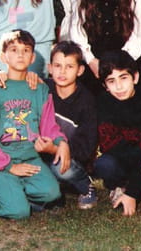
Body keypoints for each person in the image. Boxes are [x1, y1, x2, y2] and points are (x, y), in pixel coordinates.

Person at [0, 30, 68, 220]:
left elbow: (49, 126)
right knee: (19, 212)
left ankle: (13, 190)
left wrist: (61, 142)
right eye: (14, 50)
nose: (20, 54)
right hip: (1, 161)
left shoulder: (40, 89)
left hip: (30, 158)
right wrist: (8, 166)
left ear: (32, 57)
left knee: (52, 193)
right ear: (3, 57)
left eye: (26, 50)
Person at [93, 51, 141, 216]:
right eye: (111, 81)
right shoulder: (103, 102)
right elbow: (110, 142)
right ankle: (119, 186)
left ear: (135, 77)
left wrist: (133, 193)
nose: (119, 87)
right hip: (125, 159)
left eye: (123, 78)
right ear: (105, 85)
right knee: (104, 164)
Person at [44, 41, 98, 209]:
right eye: (58, 66)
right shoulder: (42, 89)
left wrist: (56, 149)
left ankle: (85, 185)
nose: (62, 72)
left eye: (69, 67)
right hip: (42, 154)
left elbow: (85, 148)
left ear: (80, 70)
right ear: (50, 68)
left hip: (72, 159)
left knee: (60, 168)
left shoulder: (86, 101)